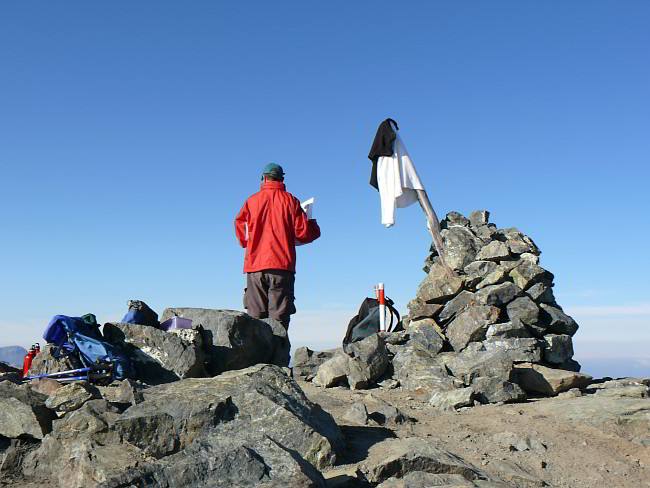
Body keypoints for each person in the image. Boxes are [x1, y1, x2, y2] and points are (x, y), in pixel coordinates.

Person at [234, 163, 320, 330]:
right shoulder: (291, 201)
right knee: (279, 319)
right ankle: (277, 355)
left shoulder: (251, 202)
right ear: (282, 179)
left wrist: (251, 241)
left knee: (255, 318)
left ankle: (257, 355)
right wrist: (311, 222)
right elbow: (303, 234)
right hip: (282, 266)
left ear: (264, 178)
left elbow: (242, 234)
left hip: (255, 266)